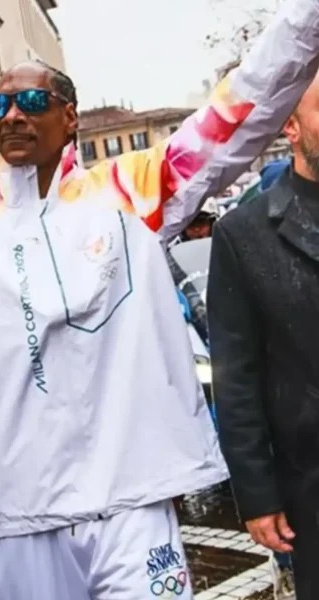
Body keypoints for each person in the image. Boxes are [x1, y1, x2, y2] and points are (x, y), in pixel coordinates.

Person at [0, 0, 318, 595]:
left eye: (31, 102)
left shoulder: (129, 192)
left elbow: (237, 112)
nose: (11, 117)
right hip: (21, 519)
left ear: (69, 116)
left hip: (131, 507)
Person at [207, 72, 319, 600]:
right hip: (310, 488)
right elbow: (236, 378)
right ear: (291, 128)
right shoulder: (244, 235)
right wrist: (257, 493)